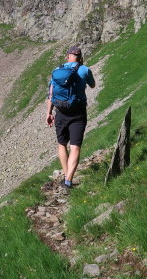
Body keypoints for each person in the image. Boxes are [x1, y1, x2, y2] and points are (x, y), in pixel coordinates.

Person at [46, 46, 96, 191]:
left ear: (68, 56)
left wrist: (49, 113)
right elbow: (92, 85)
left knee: (62, 144)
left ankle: (66, 175)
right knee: (75, 146)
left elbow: (51, 94)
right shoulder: (84, 70)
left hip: (61, 111)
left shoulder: (57, 71)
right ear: (80, 57)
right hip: (78, 112)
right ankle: (68, 180)